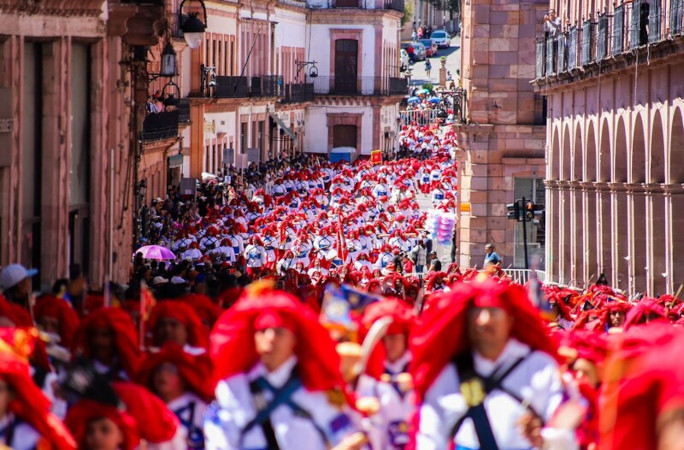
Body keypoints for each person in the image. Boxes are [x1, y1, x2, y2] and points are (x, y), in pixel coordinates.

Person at [411, 276, 574, 449]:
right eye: (477, 313)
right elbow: (430, 438)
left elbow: (568, 435)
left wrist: (544, 438)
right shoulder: (448, 373)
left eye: (494, 312)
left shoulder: (540, 367)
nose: (485, 320)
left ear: (510, 320)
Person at [204, 282, 364, 450]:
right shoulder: (232, 388)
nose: (270, 338)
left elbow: (343, 435)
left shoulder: (318, 386)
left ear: (294, 339)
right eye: (262, 331)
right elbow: (219, 442)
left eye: (279, 332)